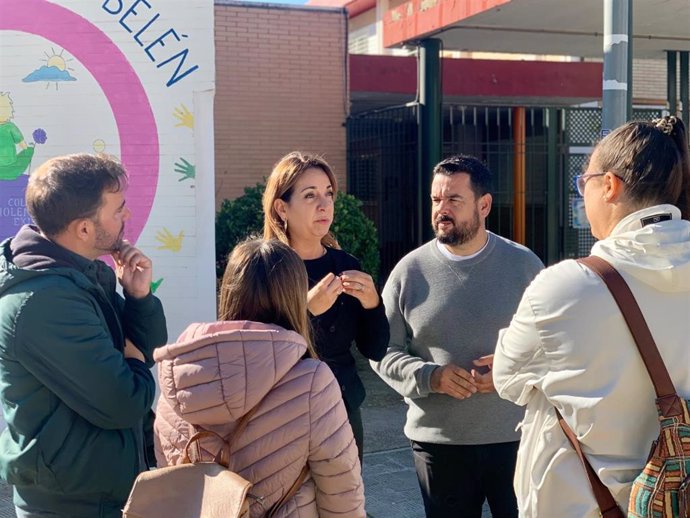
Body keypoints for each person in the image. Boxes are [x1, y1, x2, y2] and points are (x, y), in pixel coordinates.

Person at [492, 116, 690, 517]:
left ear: (610, 185)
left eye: (585, 184)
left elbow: (507, 379)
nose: (583, 196)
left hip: (579, 503)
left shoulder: (567, 286)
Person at [371, 154, 544, 518]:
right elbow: (379, 349)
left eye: (453, 200)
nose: (441, 209)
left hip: (517, 438)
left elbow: (554, 346)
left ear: (484, 205)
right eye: (436, 200)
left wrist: (510, 371)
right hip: (439, 444)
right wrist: (429, 376)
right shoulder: (409, 271)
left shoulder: (525, 265)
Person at [0, 153, 168, 517]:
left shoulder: (82, 274)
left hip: (99, 492)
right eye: (118, 209)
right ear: (84, 229)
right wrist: (133, 358)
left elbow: (150, 348)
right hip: (72, 504)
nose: (127, 216)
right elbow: (124, 400)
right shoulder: (45, 302)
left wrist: (138, 298)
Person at [154, 238, 365, 517]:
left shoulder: (177, 378)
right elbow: (341, 492)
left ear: (228, 292)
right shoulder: (312, 381)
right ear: (295, 296)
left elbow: (168, 471)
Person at [262, 151, 389, 461]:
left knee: (345, 504)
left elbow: (376, 349)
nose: (324, 205)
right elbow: (256, 351)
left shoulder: (346, 264)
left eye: (328, 194)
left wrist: (373, 304)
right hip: (281, 415)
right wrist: (305, 311)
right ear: (282, 207)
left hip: (342, 408)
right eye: (310, 195)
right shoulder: (263, 267)